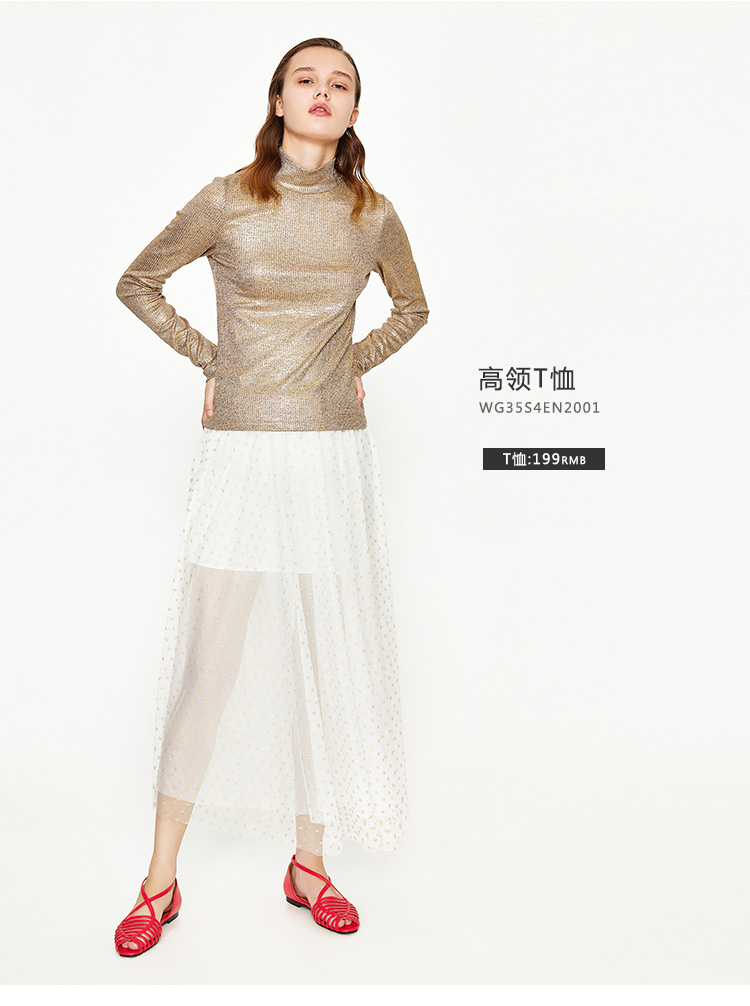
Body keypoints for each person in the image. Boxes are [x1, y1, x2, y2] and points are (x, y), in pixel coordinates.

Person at [112, 36, 429, 955]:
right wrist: (218, 365)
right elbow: (137, 283)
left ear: (355, 111)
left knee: (326, 661)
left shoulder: (372, 214)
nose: (323, 93)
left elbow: (413, 308)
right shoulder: (227, 199)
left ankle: (309, 865)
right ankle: (159, 879)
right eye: (307, 80)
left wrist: (350, 364)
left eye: (341, 84)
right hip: (242, 453)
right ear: (279, 100)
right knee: (210, 663)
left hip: (331, 454)